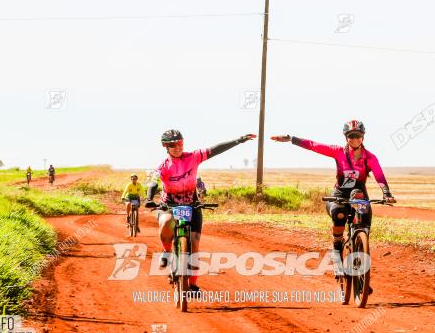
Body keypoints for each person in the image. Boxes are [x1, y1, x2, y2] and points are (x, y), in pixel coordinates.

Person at [271, 120, 395, 292]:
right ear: (346, 138)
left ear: (363, 137)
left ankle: (362, 274)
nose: (354, 139)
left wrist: (386, 193)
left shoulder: (370, 157)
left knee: (364, 225)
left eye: (357, 136)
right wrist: (292, 139)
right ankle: (337, 257)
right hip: (339, 194)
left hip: (359, 194)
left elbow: (379, 175)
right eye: (351, 136)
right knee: (339, 215)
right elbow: (314, 146)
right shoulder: (337, 152)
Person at [156, 128, 256, 293]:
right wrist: (149, 196)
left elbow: (215, 150)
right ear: (165, 146)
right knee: (166, 222)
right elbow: (153, 181)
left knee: (194, 246)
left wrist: (239, 140)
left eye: (180, 142)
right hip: (170, 205)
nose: (177, 147)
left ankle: (193, 285)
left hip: (192, 205)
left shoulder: (193, 157)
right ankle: (166, 252)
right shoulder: (164, 166)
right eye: (173, 144)